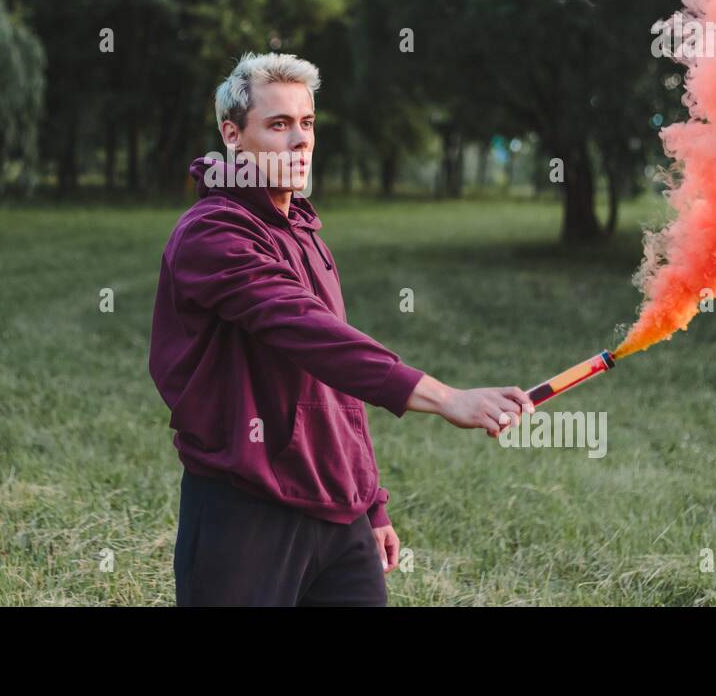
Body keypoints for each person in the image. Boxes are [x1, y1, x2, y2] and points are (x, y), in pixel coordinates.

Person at [148, 51, 534, 606]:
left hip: (339, 515)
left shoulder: (304, 233)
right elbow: (308, 332)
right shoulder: (212, 234)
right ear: (232, 136)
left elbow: (334, 379)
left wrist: (369, 503)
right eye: (278, 125)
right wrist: (446, 397)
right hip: (246, 508)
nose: (299, 140)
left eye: (306, 123)